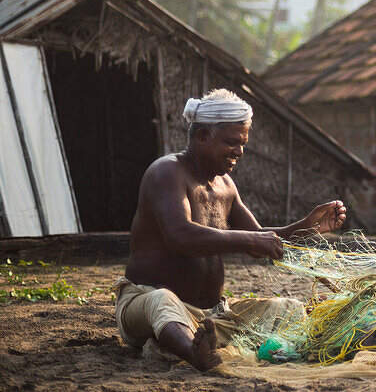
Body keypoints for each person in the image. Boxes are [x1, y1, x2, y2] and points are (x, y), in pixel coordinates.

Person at [114, 89, 347, 371]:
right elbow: (180, 236)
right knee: (162, 301)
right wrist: (249, 240)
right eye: (231, 142)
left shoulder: (225, 186)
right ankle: (192, 351)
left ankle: (181, 343)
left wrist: (308, 226)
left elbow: (258, 241)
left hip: (212, 314)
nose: (239, 151)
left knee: (287, 309)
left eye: (243, 144)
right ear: (202, 137)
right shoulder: (166, 172)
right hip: (145, 301)